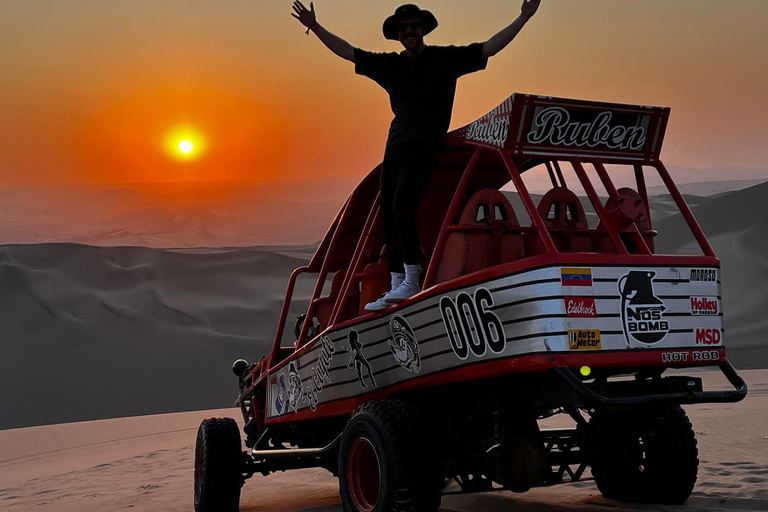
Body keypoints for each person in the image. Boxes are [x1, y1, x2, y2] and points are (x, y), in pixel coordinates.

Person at [292, 1, 542, 311]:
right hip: (395, 144)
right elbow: (348, 52)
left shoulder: (444, 59)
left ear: (423, 29)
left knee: (402, 208)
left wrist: (524, 17)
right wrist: (315, 27)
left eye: (414, 26)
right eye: (403, 28)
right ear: (397, 34)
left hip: (424, 143)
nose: (409, 31)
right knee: (387, 212)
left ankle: (412, 277)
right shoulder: (391, 66)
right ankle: (397, 282)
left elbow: (489, 48)